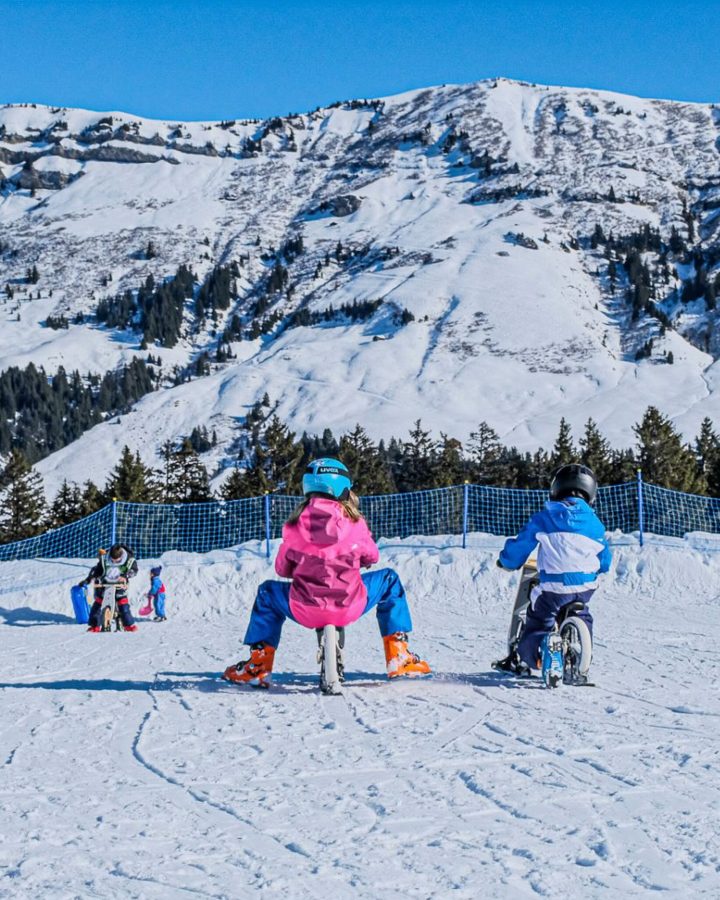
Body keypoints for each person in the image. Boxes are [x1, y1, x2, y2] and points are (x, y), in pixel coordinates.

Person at [222, 457, 431, 687]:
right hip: (350, 604)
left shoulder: (294, 527)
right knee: (389, 580)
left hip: (305, 608)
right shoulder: (355, 523)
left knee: (267, 592)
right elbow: (372, 556)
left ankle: (258, 665)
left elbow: (282, 568)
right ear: (343, 487)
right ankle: (398, 656)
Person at [494, 463, 612, 674]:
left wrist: (507, 561)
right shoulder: (596, 524)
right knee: (583, 614)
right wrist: (599, 568)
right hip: (585, 586)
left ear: (555, 489)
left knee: (540, 619)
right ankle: (581, 656)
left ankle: (534, 657)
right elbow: (605, 559)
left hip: (553, 587)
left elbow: (521, 545)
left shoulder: (544, 518)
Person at [78, 543, 139, 632]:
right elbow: (97, 571)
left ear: (122, 556)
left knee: (123, 606)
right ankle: (95, 626)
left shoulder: (129, 560)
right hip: (104, 584)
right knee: (98, 605)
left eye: (117, 561)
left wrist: (126, 575)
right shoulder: (104, 559)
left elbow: (134, 570)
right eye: (112, 560)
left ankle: (129, 625)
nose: (114, 562)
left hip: (120, 585)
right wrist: (89, 580)